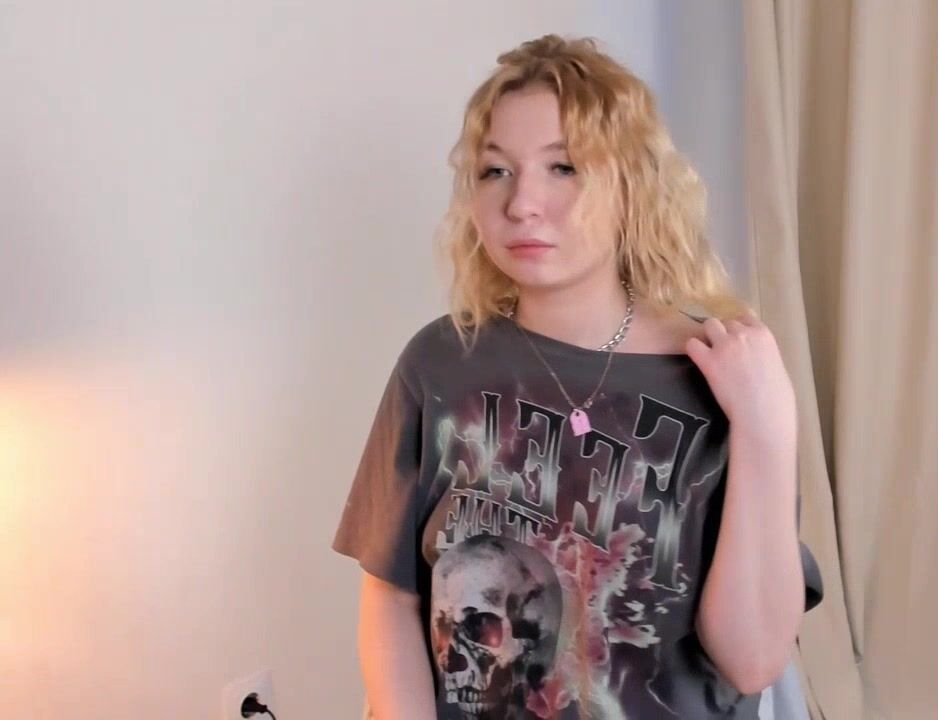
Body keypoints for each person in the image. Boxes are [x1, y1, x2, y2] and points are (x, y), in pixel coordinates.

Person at [332, 33, 823, 720]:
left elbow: (752, 659)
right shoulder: (440, 363)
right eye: (495, 171)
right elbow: (392, 593)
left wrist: (767, 427)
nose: (521, 203)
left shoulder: (721, 373)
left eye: (563, 167)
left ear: (631, 185)